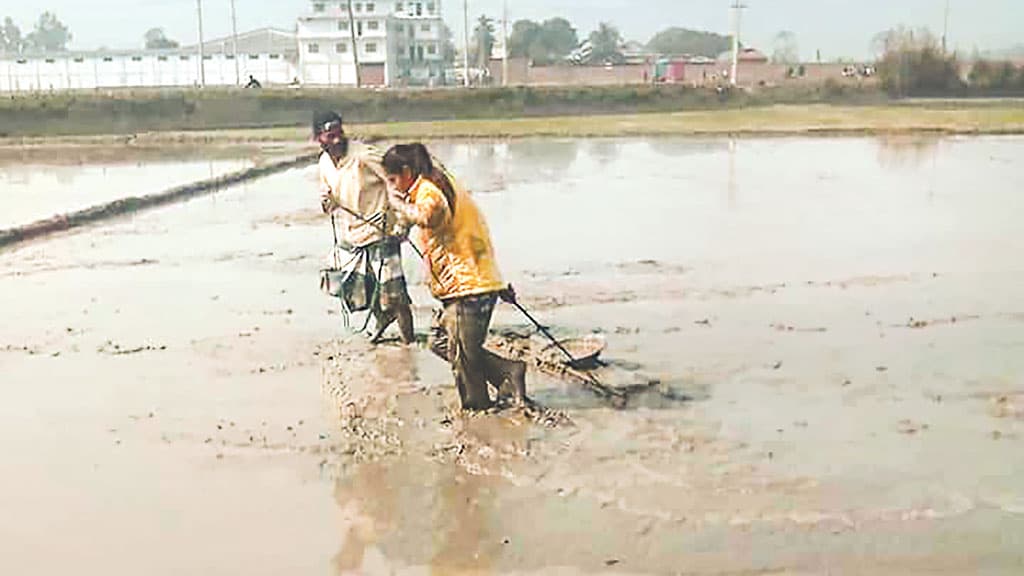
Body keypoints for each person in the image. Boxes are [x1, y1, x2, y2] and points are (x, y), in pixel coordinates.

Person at [382, 143, 527, 411]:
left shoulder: (430, 191)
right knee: (440, 341)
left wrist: (396, 204)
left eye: (393, 180)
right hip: (473, 279)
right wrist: (402, 224)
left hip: (467, 285)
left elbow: (427, 214)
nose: (393, 186)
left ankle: (477, 411)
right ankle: (506, 371)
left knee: (462, 357)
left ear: (406, 171)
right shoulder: (437, 179)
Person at [314, 111, 414, 344]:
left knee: (395, 294)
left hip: (381, 231)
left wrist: (403, 221)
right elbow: (328, 203)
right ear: (319, 139)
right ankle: (382, 318)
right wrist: (327, 202)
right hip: (352, 234)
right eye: (331, 135)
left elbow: (398, 181)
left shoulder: (364, 155)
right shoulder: (324, 163)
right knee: (346, 284)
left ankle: (409, 344)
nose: (338, 140)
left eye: (340, 134)